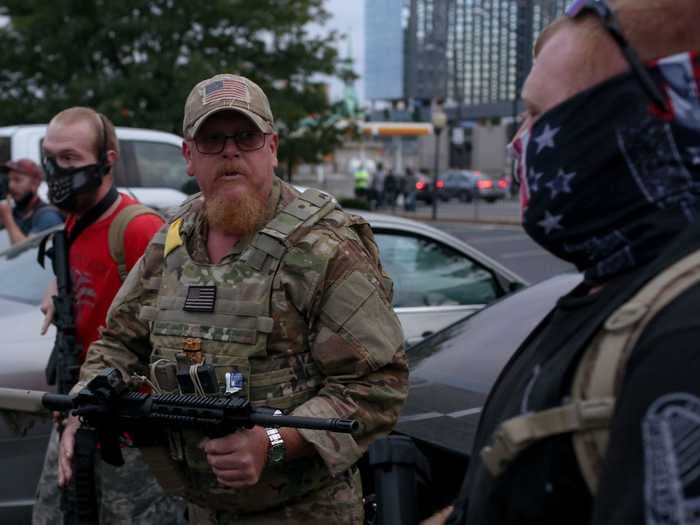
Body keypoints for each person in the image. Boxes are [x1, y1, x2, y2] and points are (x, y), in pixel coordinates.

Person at [59, 74, 409, 524]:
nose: (230, 152)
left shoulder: (324, 248)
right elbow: (119, 343)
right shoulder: (172, 240)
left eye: (246, 136)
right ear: (188, 156)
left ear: (272, 147)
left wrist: (275, 442)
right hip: (200, 509)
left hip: (304, 511)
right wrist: (83, 406)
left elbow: (379, 384)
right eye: (212, 140)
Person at [423, 1, 700, 524]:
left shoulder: (683, 332)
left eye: (536, 114)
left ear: (627, 118)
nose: (518, 142)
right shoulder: (617, 284)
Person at [33, 107, 186, 525]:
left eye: (70, 159)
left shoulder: (140, 230)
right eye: (50, 157)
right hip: (75, 408)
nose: (56, 169)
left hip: (128, 428)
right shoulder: (73, 222)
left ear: (108, 160)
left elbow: (170, 331)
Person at [0, 159, 63, 244]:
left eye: (17, 180)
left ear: (35, 184)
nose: (11, 186)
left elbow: (26, 253)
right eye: (9, 180)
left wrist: (7, 218)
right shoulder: (17, 212)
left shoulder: (47, 216)